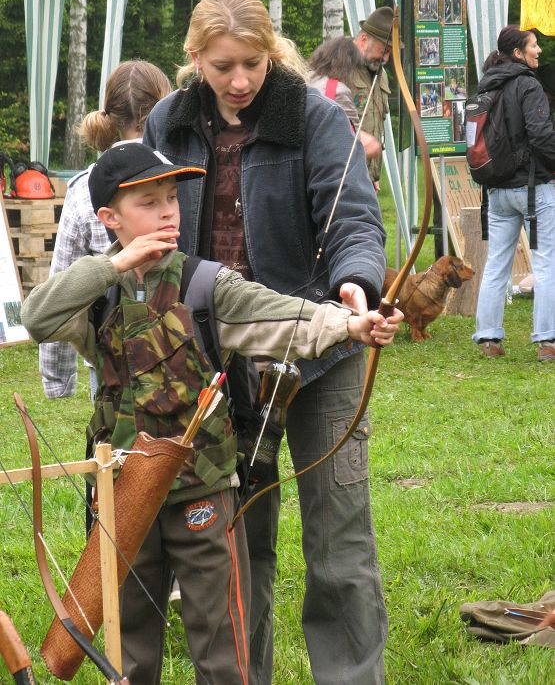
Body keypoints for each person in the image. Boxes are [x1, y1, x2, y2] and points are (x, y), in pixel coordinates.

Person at [20, 142, 401, 685]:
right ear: (108, 218)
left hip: (203, 487)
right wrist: (114, 264)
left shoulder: (204, 283)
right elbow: (36, 317)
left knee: (221, 636)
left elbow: (281, 315)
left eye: (171, 199)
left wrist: (351, 324)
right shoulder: (97, 294)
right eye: (148, 202)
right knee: (130, 641)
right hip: (124, 489)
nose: (167, 212)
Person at [143, 0, 397, 685]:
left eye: (252, 63)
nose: (240, 80)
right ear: (195, 57)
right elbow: (145, 223)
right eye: (223, 65)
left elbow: (354, 219)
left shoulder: (314, 116)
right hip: (215, 362)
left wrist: (356, 283)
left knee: (339, 541)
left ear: (272, 53)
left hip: (321, 351)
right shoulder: (168, 121)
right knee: (234, 542)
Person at [39, 60, 172, 400]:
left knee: (113, 432)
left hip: (109, 350)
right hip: (180, 342)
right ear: (166, 103)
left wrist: (57, 379)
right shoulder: (181, 175)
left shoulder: (82, 188)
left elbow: (64, 279)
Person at [471, 26, 555, 361]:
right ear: (518, 53)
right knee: (546, 263)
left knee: (496, 264)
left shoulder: (487, 84)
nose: (539, 51)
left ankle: (489, 339)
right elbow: (541, 136)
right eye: (534, 46)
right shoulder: (528, 85)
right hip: (533, 188)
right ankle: (548, 342)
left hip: (496, 191)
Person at [307, 36, 382, 163]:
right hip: (329, 166)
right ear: (348, 64)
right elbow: (353, 142)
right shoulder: (338, 91)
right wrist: (371, 144)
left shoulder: (306, 80)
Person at [348, 6, 394, 191]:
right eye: (383, 50)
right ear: (364, 40)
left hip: (365, 179)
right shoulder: (337, 67)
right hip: (342, 178)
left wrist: (373, 174)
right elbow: (325, 126)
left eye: (389, 52)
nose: (386, 58)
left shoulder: (380, 74)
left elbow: (374, 123)